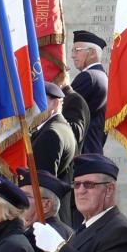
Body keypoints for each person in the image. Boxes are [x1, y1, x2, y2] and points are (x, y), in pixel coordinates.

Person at [31, 82, 78, 222]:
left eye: (38, 100)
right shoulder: (58, 127)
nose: (32, 106)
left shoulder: (51, 133)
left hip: (45, 216)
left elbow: (42, 184)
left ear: (55, 103)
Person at [70, 30, 108, 155]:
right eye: (72, 51)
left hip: (83, 152)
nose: (73, 55)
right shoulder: (101, 76)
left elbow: (65, 109)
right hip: (93, 149)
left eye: (77, 50)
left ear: (92, 53)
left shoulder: (88, 77)